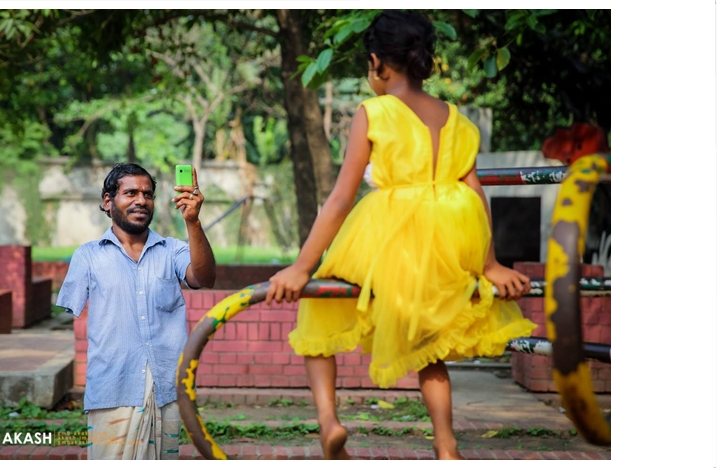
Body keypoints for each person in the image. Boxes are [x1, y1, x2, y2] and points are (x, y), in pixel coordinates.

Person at [265, 10, 536, 460]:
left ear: (377, 61)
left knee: (318, 304)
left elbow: (341, 199)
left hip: (390, 235)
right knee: (429, 343)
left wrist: (301, 267)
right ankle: (446, 444)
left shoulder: (374, 112)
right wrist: (489, 264)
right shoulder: (457, 119)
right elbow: (476, 195)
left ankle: (329, 421)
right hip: (451, 243)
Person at [56, 163, 216, 460]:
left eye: (148, 194)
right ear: (108, 201)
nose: (141, 200)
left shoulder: (172, 250)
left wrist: (193, 222)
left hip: (166, 389)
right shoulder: (88, 256)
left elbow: (203, 278)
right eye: (131, 193)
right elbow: (70, 313)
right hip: (112, 388)